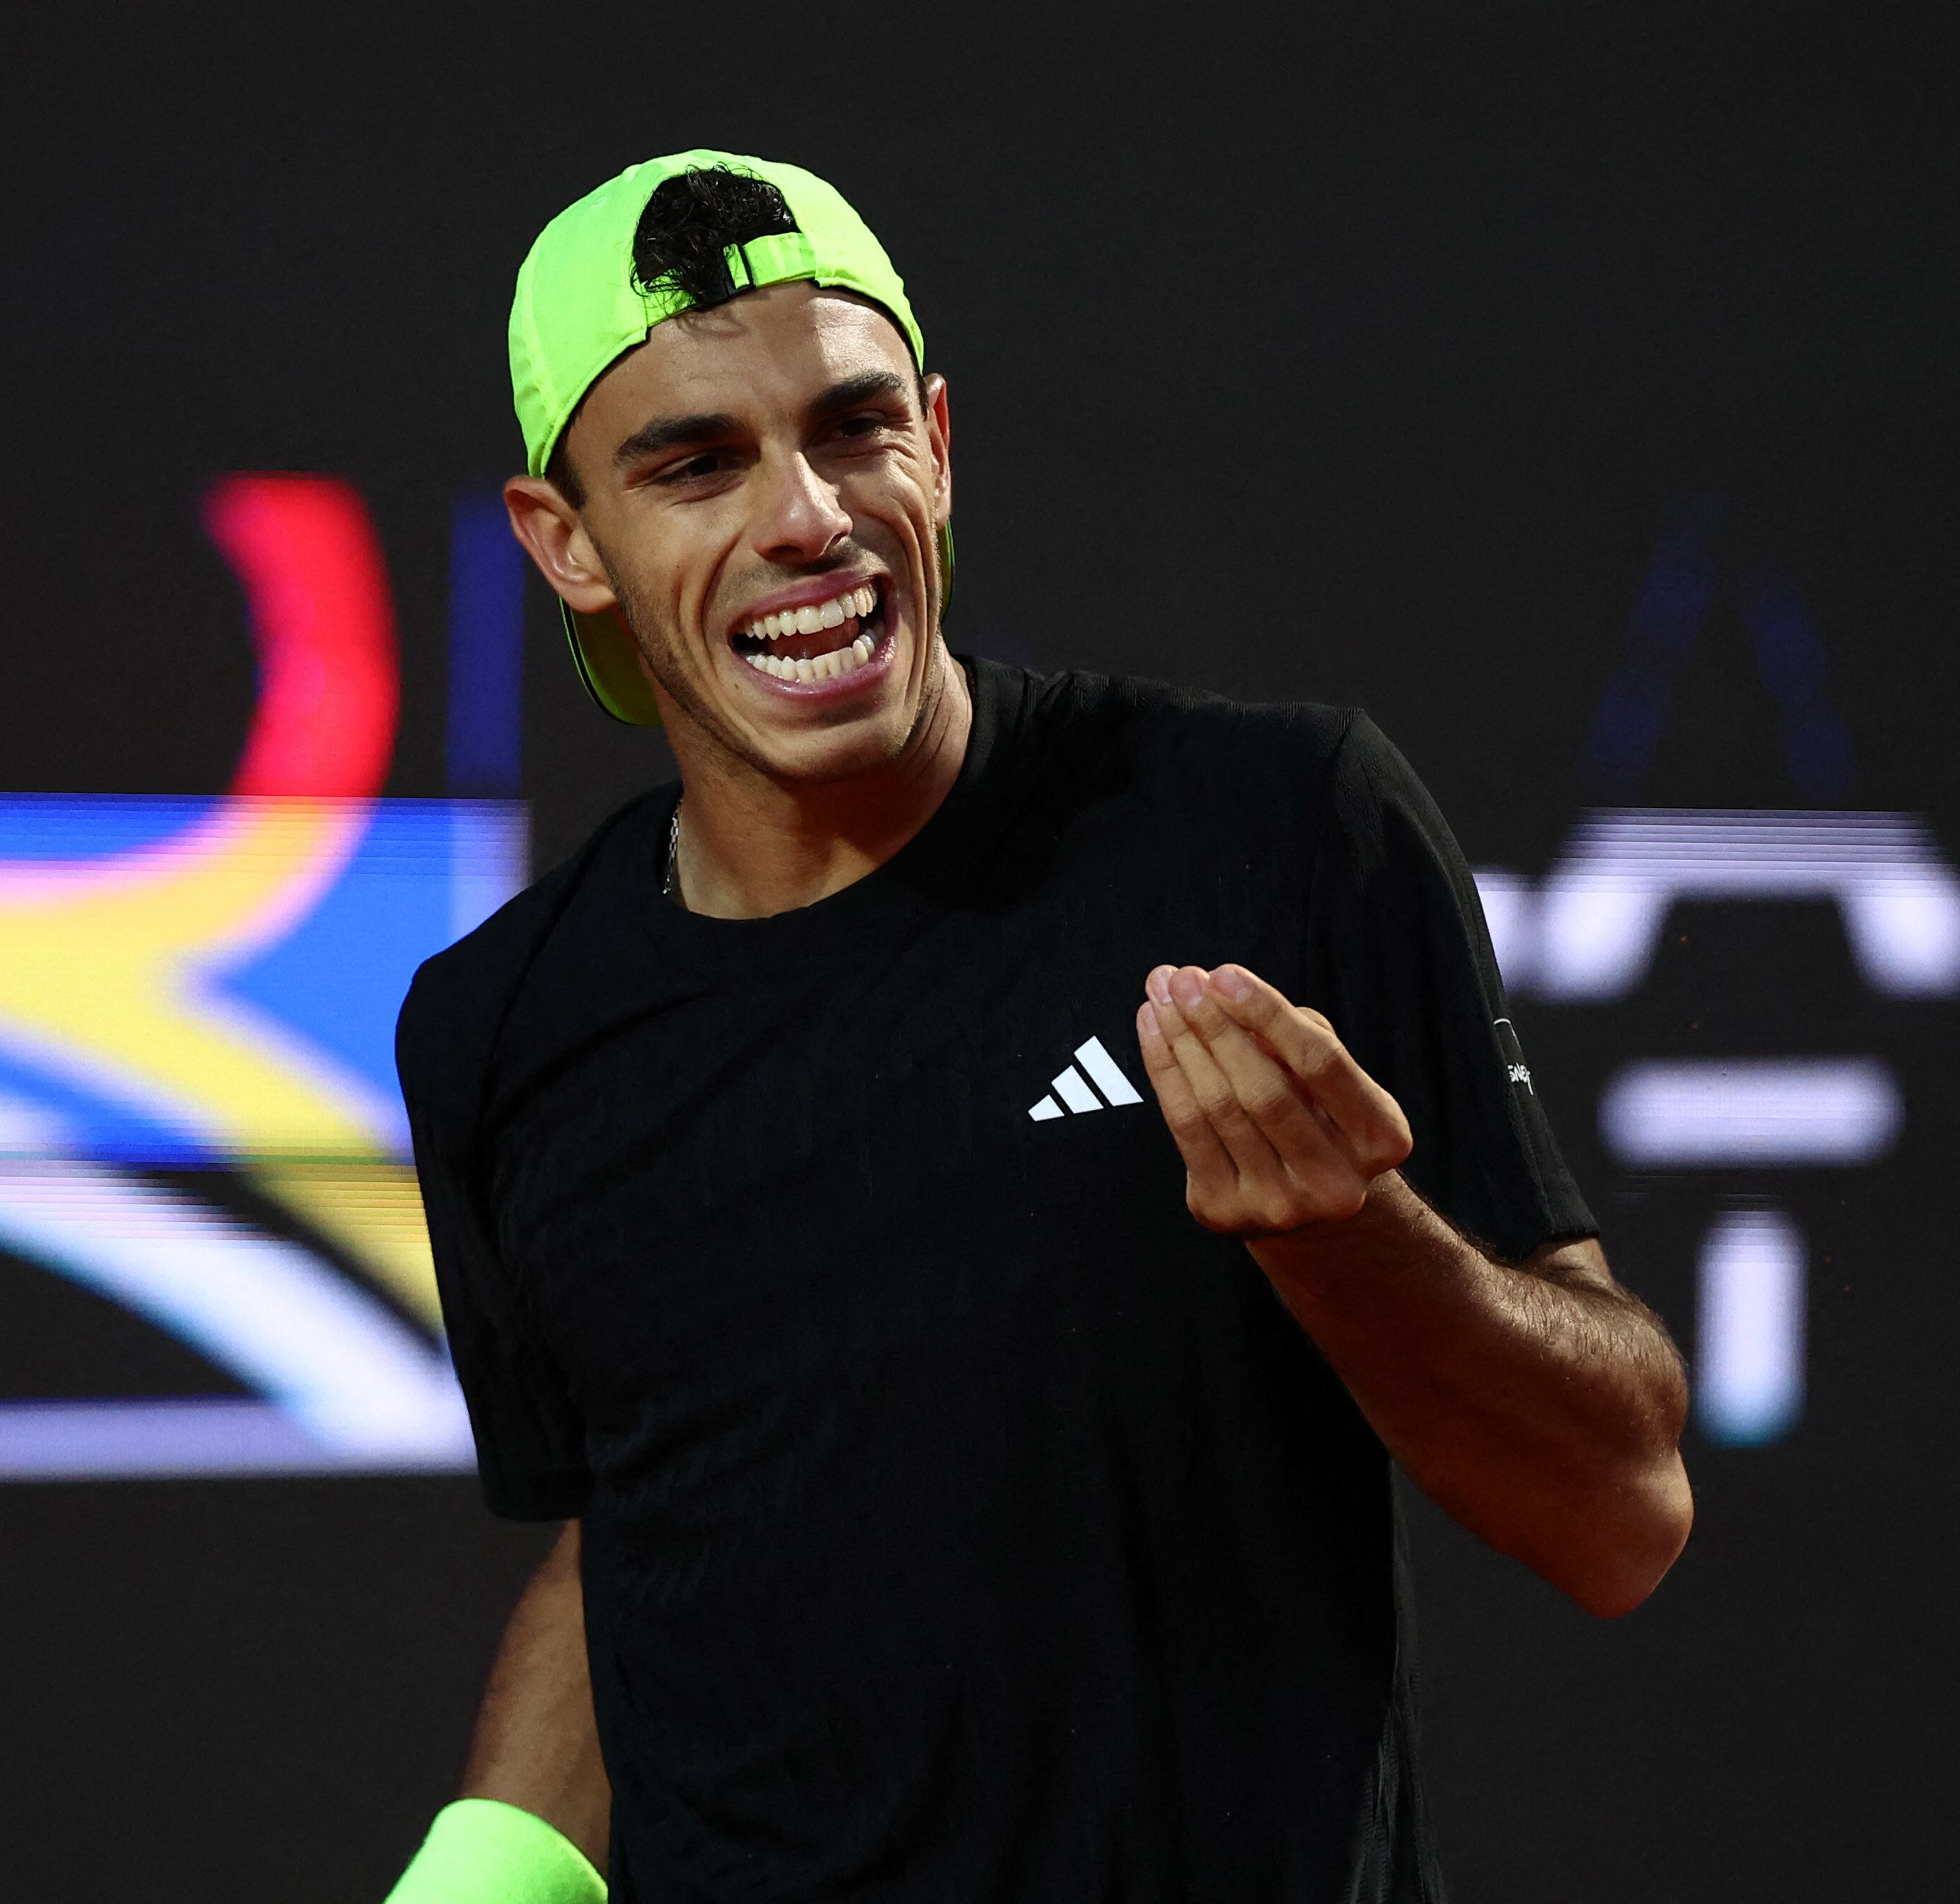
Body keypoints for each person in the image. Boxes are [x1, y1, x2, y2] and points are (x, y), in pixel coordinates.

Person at [386, 150, 1691, 1904]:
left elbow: (1621, 1514)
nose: (806, 517)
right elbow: (642, 1522)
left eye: (853, 429)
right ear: (570, 547)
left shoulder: (1279, 823)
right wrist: (477, 1887)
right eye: (695, 465)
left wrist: (1355, 1245)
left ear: (938, 438)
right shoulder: (501, 1029)